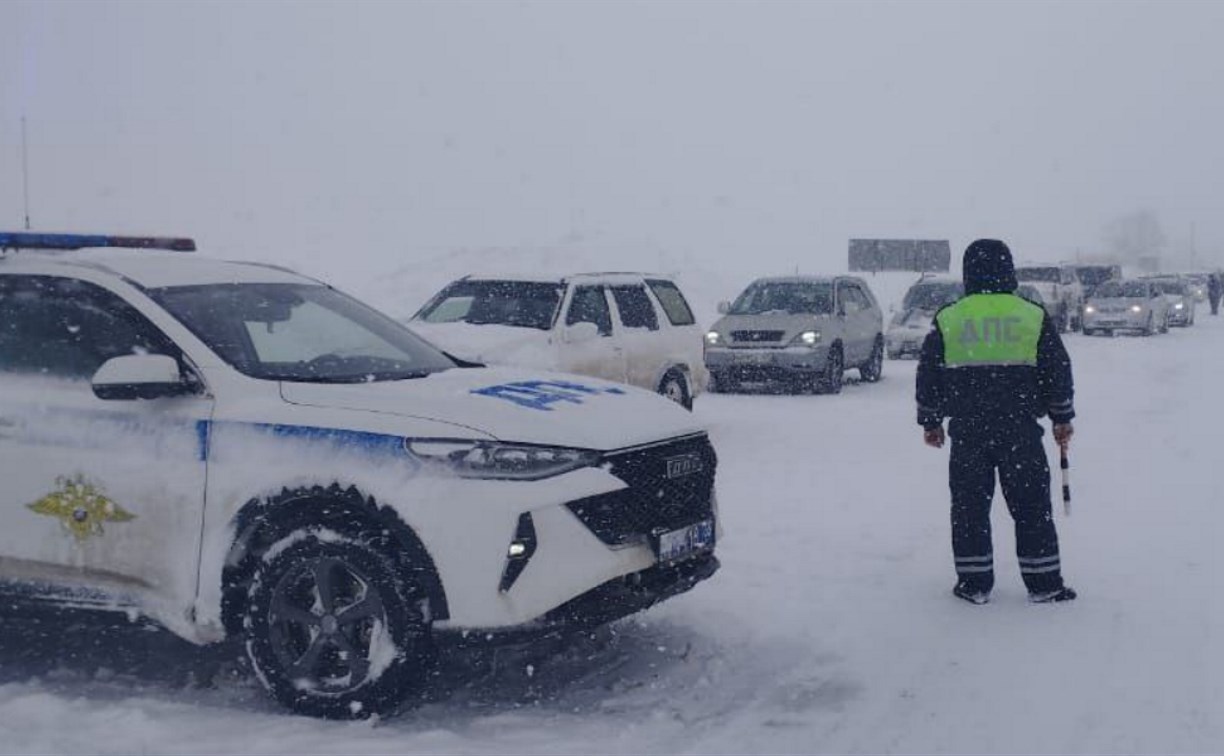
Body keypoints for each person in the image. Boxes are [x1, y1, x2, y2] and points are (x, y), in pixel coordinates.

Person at [916, 239, 1077, 605]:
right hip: (1020, 431)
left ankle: (974, 584)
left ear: (967, 272)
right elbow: (1057, 370)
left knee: (969, 510)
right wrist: (1061, 417)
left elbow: (929, 374)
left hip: (968, 432)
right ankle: (1044, 584)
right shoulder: (1031, 314)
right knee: (1032, 507)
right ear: (1009, 270)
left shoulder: (949, 317)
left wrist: (931, 421)